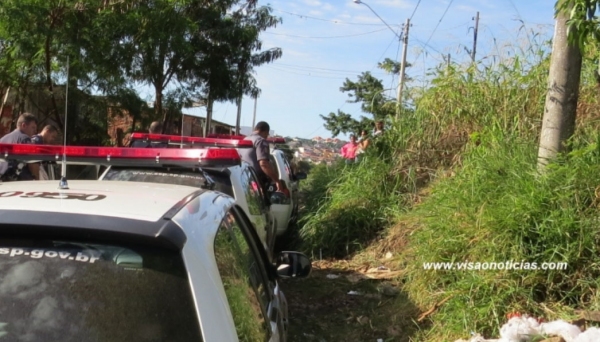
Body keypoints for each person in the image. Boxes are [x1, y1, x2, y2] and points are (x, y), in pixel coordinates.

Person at [239, 121, 286, 195]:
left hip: (243, 180)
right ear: (265, 132)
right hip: (256, 180)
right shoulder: (260, 141)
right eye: (267, 134)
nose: (267, 136)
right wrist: (277, 181)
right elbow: (264, 164)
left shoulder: (245, 139)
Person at [0, 113, 39, 180]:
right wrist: (37, 180)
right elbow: (32, 163)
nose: (35, 131)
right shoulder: (24, 139)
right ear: (24, 125)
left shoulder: (2, 139)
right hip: (20, 181)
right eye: (33, 127)